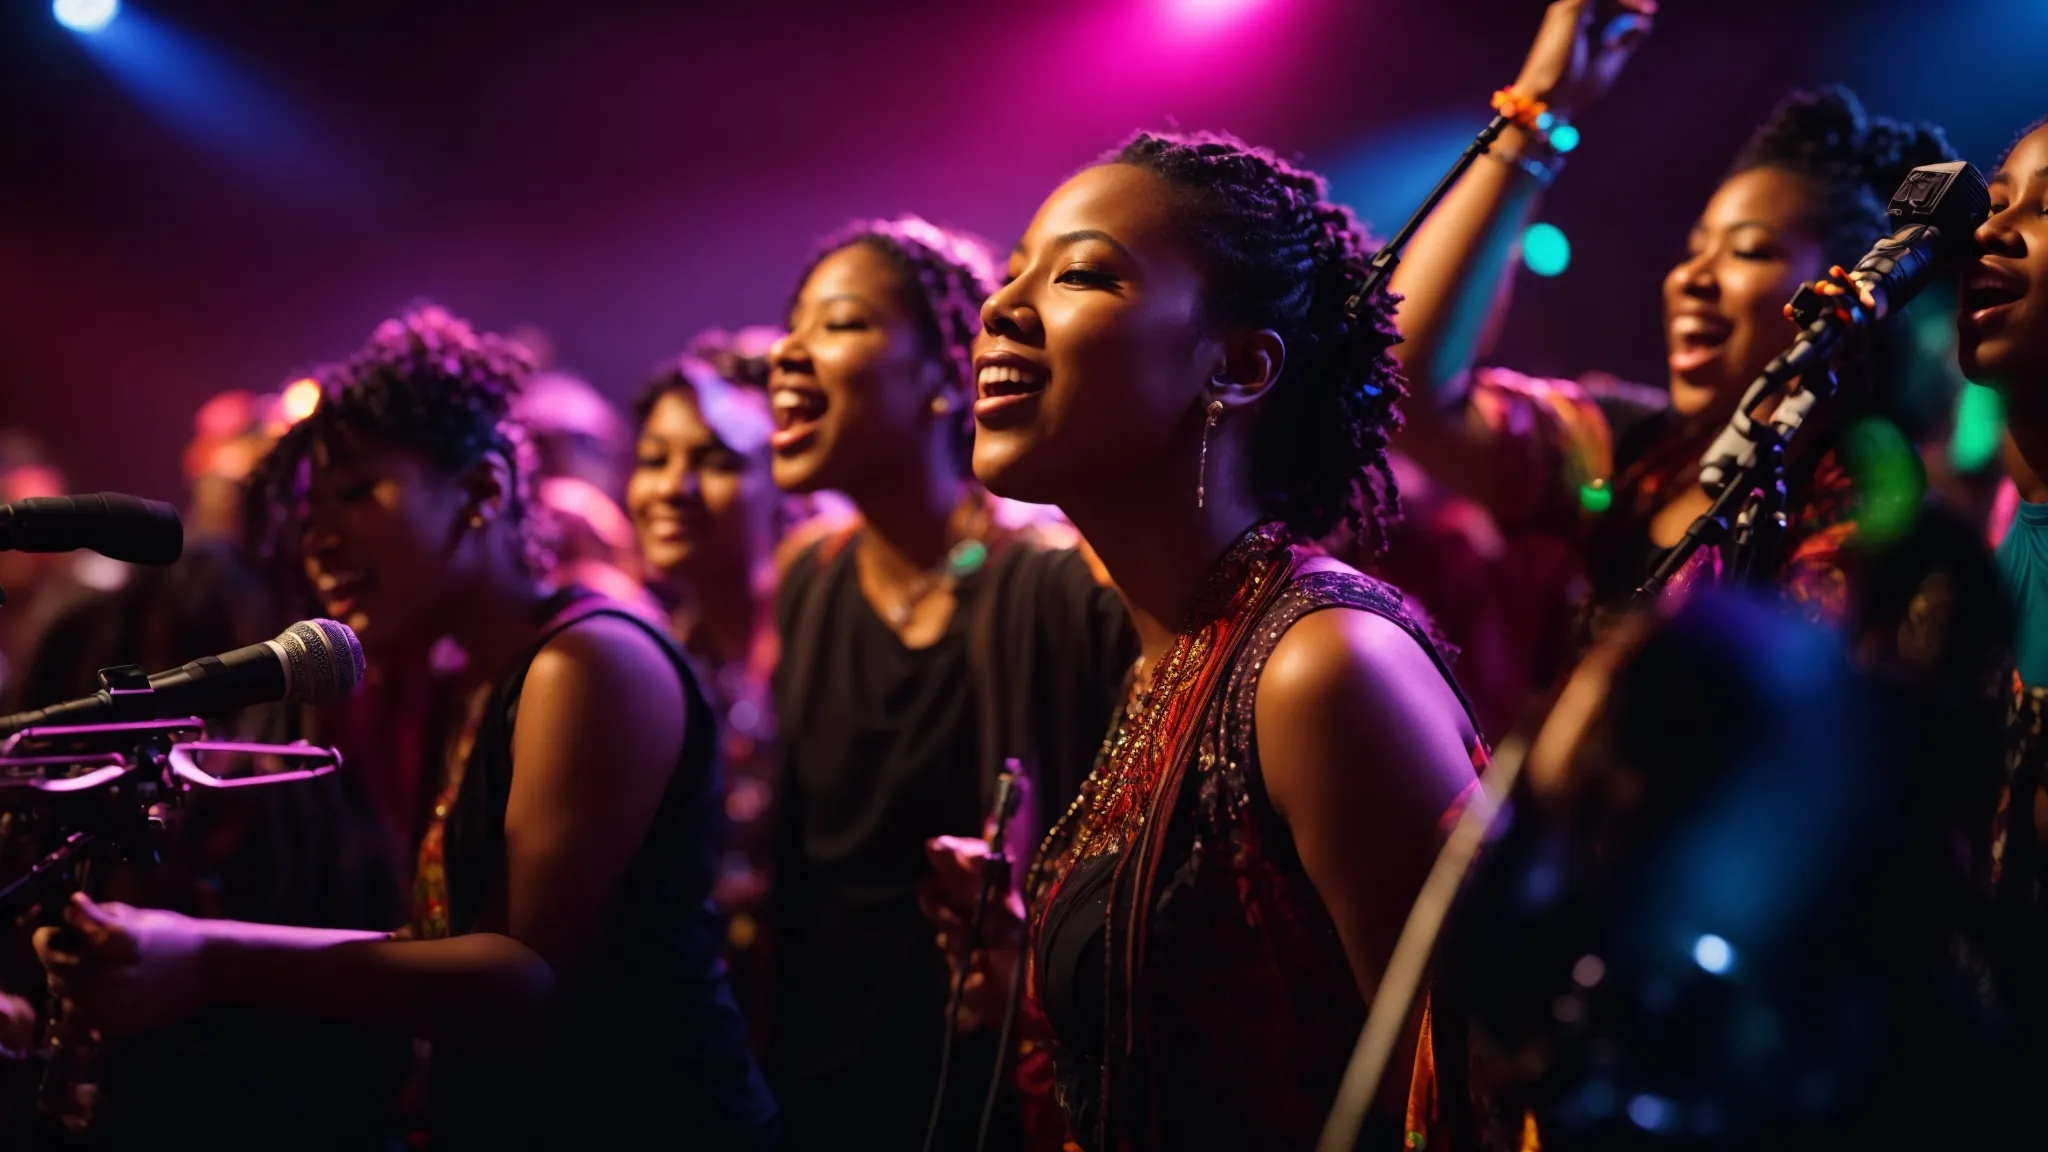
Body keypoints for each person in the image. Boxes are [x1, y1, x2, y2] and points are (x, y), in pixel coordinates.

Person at [30, 305, 778, 1150]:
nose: (319, 538)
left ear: (483, 491)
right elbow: (445, 949)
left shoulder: (591, 662)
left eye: (358, 492)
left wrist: (211, 962)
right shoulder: (476, 674)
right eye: (308, 512)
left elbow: (521, 979)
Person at [933, 130, 1487, 1150]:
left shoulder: (1323, 671)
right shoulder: (1177, 647)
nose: (1000, 310)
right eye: (1010, 276)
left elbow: (1463, 1108)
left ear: (1235, 365)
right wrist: (1046, 983)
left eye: (1078, 275)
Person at [1388, 0, 1955, 692]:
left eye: (1748, 250)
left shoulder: (1875, 499)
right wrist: (1541, 107)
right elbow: (1411, 388)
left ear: (1848, 287)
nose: (1691, 278)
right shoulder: (1628, 455)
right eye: (1693, 251)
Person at [765, 218, 1130, 1151]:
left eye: (839, 324)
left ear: (941, 371)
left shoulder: (1055, 582)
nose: (788, 354)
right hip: (826, 1077)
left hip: (995, 1091)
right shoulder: (808, 574)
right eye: (791, 325)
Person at [626, 331, 811, 1047]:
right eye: (654, 460)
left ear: (785, 478)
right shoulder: (648, 652)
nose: (674, 488)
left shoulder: (826, 641)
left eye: (716, 461)